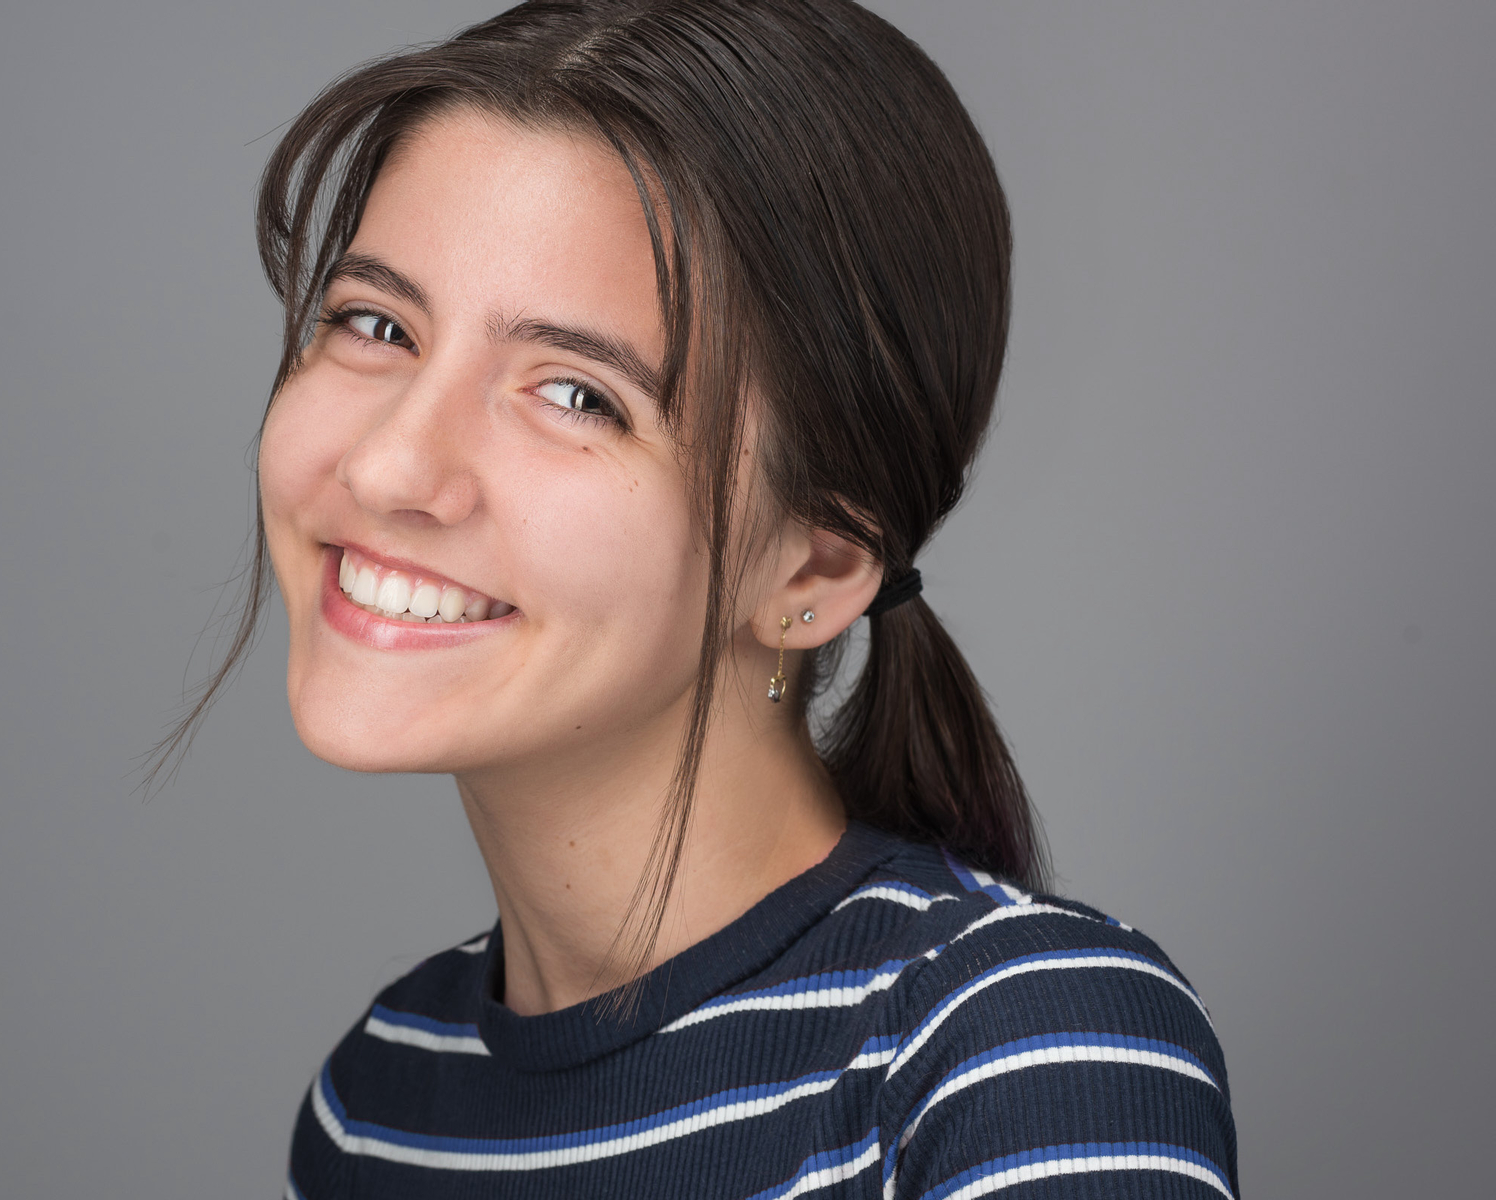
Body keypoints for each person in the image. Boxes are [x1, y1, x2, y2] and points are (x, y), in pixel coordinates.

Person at [157, 1, 1238, 1195]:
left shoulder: (1015, 1052)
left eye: (577, 395)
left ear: (814, 568)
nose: (388, 467)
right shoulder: (378, 1110)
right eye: (375, 323)